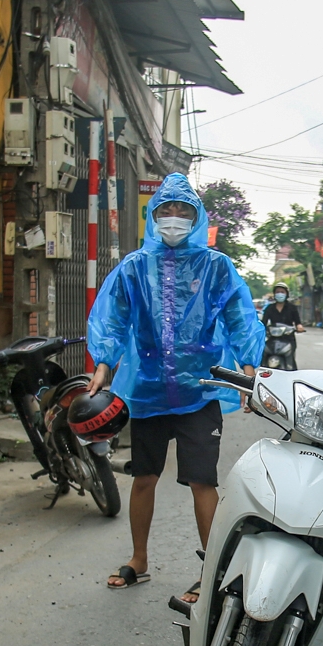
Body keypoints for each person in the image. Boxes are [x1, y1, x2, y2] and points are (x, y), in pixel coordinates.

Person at [86, 174, 265, 600]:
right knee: (144, 476)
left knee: (203, 481)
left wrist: (248, 368)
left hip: (199, 391)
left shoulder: (215, 266)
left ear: (196, 217)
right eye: (165, 210)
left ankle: (212, 571)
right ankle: (139, 560)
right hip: (148, 392)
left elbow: (239, 316)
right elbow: (111, 319)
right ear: (153, 216)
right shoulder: (133, 268)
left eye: (182, 211)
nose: (173, 218)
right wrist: (104, 366)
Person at [260, 280, 305, 369]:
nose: (280, 294)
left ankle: (291, 373)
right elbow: (263, 322)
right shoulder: (270, 308)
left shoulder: (292, 308)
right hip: (272, 338)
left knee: (290, 359)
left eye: (282, 292)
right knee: (264, 354)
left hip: (288, 338)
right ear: (274, 294)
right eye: (277, 292)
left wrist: (299, 327)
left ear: (286, 294)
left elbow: (297, 322)